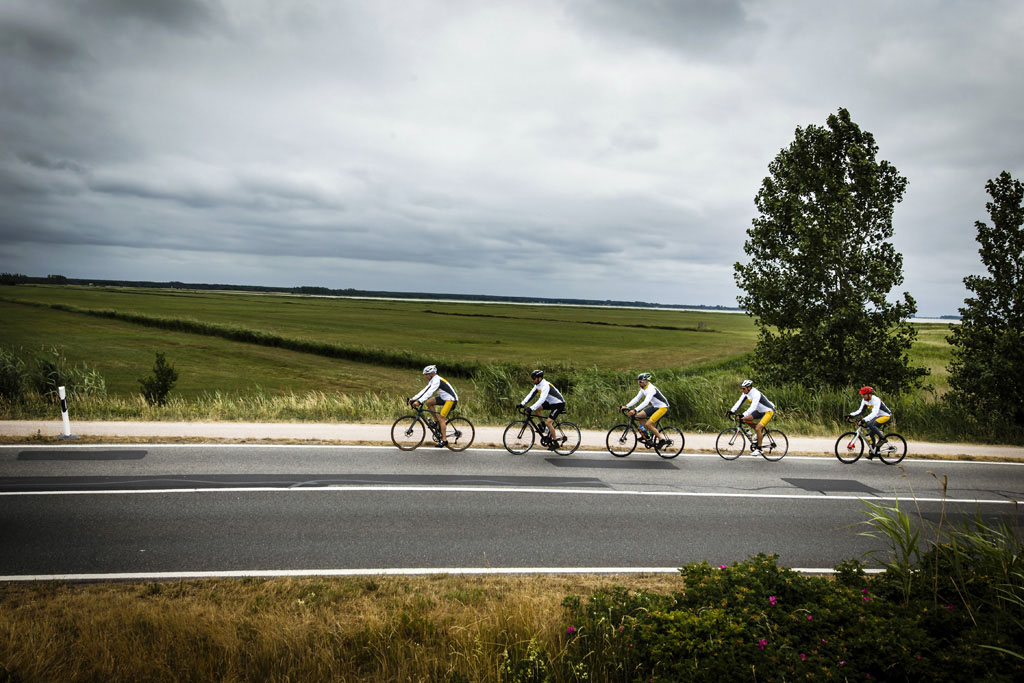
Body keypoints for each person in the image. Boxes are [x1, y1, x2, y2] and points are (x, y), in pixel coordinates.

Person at [410, 365, 459, 447]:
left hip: (451, 400)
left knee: (442, 418)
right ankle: (436, 422)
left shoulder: (437, 380)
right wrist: (413, 399)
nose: (425, 376)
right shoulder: (433, 380)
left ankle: (444, 440)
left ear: (431, 374)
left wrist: (419, 401)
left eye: (426, 374)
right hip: (444, 398)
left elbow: (429, 393)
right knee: (429, 402)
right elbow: (425, 390)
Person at [726, 379, 775, 455]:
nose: (742, 390)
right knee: (744, 419)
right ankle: (759, 432)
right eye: (741, 388)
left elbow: (753, 407)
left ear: (749, 388)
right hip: (759, 411)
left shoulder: (756, 394)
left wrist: (743, 414)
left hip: (768, 411)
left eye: (744, 388)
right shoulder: (746, 393)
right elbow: (739, 402)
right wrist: (732, 411)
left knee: (758, 428)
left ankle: (759, 449)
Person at [520, 369, 567, 449]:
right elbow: (530, 395)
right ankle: (542, 426)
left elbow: (542, 399)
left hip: (558, 404)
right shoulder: (537, 385)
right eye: (532, 378)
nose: (532, 380)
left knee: (548, 423)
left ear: (539, 378)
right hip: (551, 402)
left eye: (534, 378)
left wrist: (530, 408)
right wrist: (522, 404)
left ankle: (555, 443)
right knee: (537, 409)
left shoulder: (545, 385)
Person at [621, 372, 670, 447]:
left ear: (646, 382)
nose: (638, 383)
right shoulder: (643, 388)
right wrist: (626, 406)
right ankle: (646, 436)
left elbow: (646, 402)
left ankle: (661, 440)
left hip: (663, 408)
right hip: (655, 406)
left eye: (640, 381)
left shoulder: (651, 389)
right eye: (638, 381)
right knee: (639, 416)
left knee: (648, 424)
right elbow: (637, 398)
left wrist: (634, 410)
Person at [849, 385, 892, 457]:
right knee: (870, 434)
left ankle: (882, 439)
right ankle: (874, 451)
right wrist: (851, 415)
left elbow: (874, 413)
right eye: (862, 395)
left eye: (864, 395)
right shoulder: (865, 400)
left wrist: (864, 419)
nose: (862, 396)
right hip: (878, 416)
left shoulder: (876, 400)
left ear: (869, 394)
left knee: (871, 424)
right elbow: (860, 411)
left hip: (886, 416)